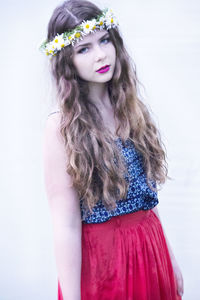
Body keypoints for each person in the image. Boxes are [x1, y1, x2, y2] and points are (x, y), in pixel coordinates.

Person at [40, 0, 184, 299]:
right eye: (84, 49)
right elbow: (65, 224)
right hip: (106, 261)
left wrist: (170, 259)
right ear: (67, 61)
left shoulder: (131, 109)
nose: (101, 54)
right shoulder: (62, 128)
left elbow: (147, 196)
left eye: (104, 40)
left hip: (149, 245)